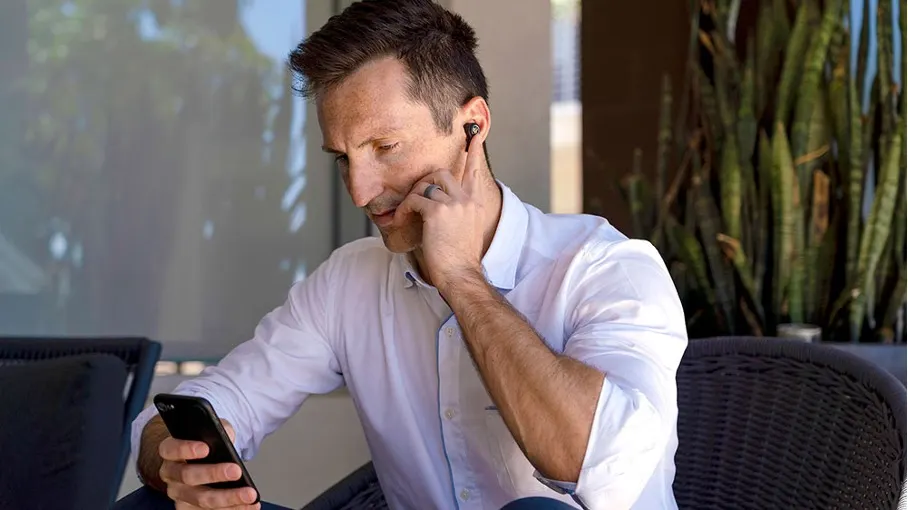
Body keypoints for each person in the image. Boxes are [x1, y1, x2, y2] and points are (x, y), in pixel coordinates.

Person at [116, 0, 688, 509]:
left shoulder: (607, 267)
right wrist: (177, 458)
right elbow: (212, 402)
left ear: (472, 125)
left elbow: (596, 467)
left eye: (384, 148)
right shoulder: (349, 283)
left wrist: (462, 277)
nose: (361, 191)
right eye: (343, 158)